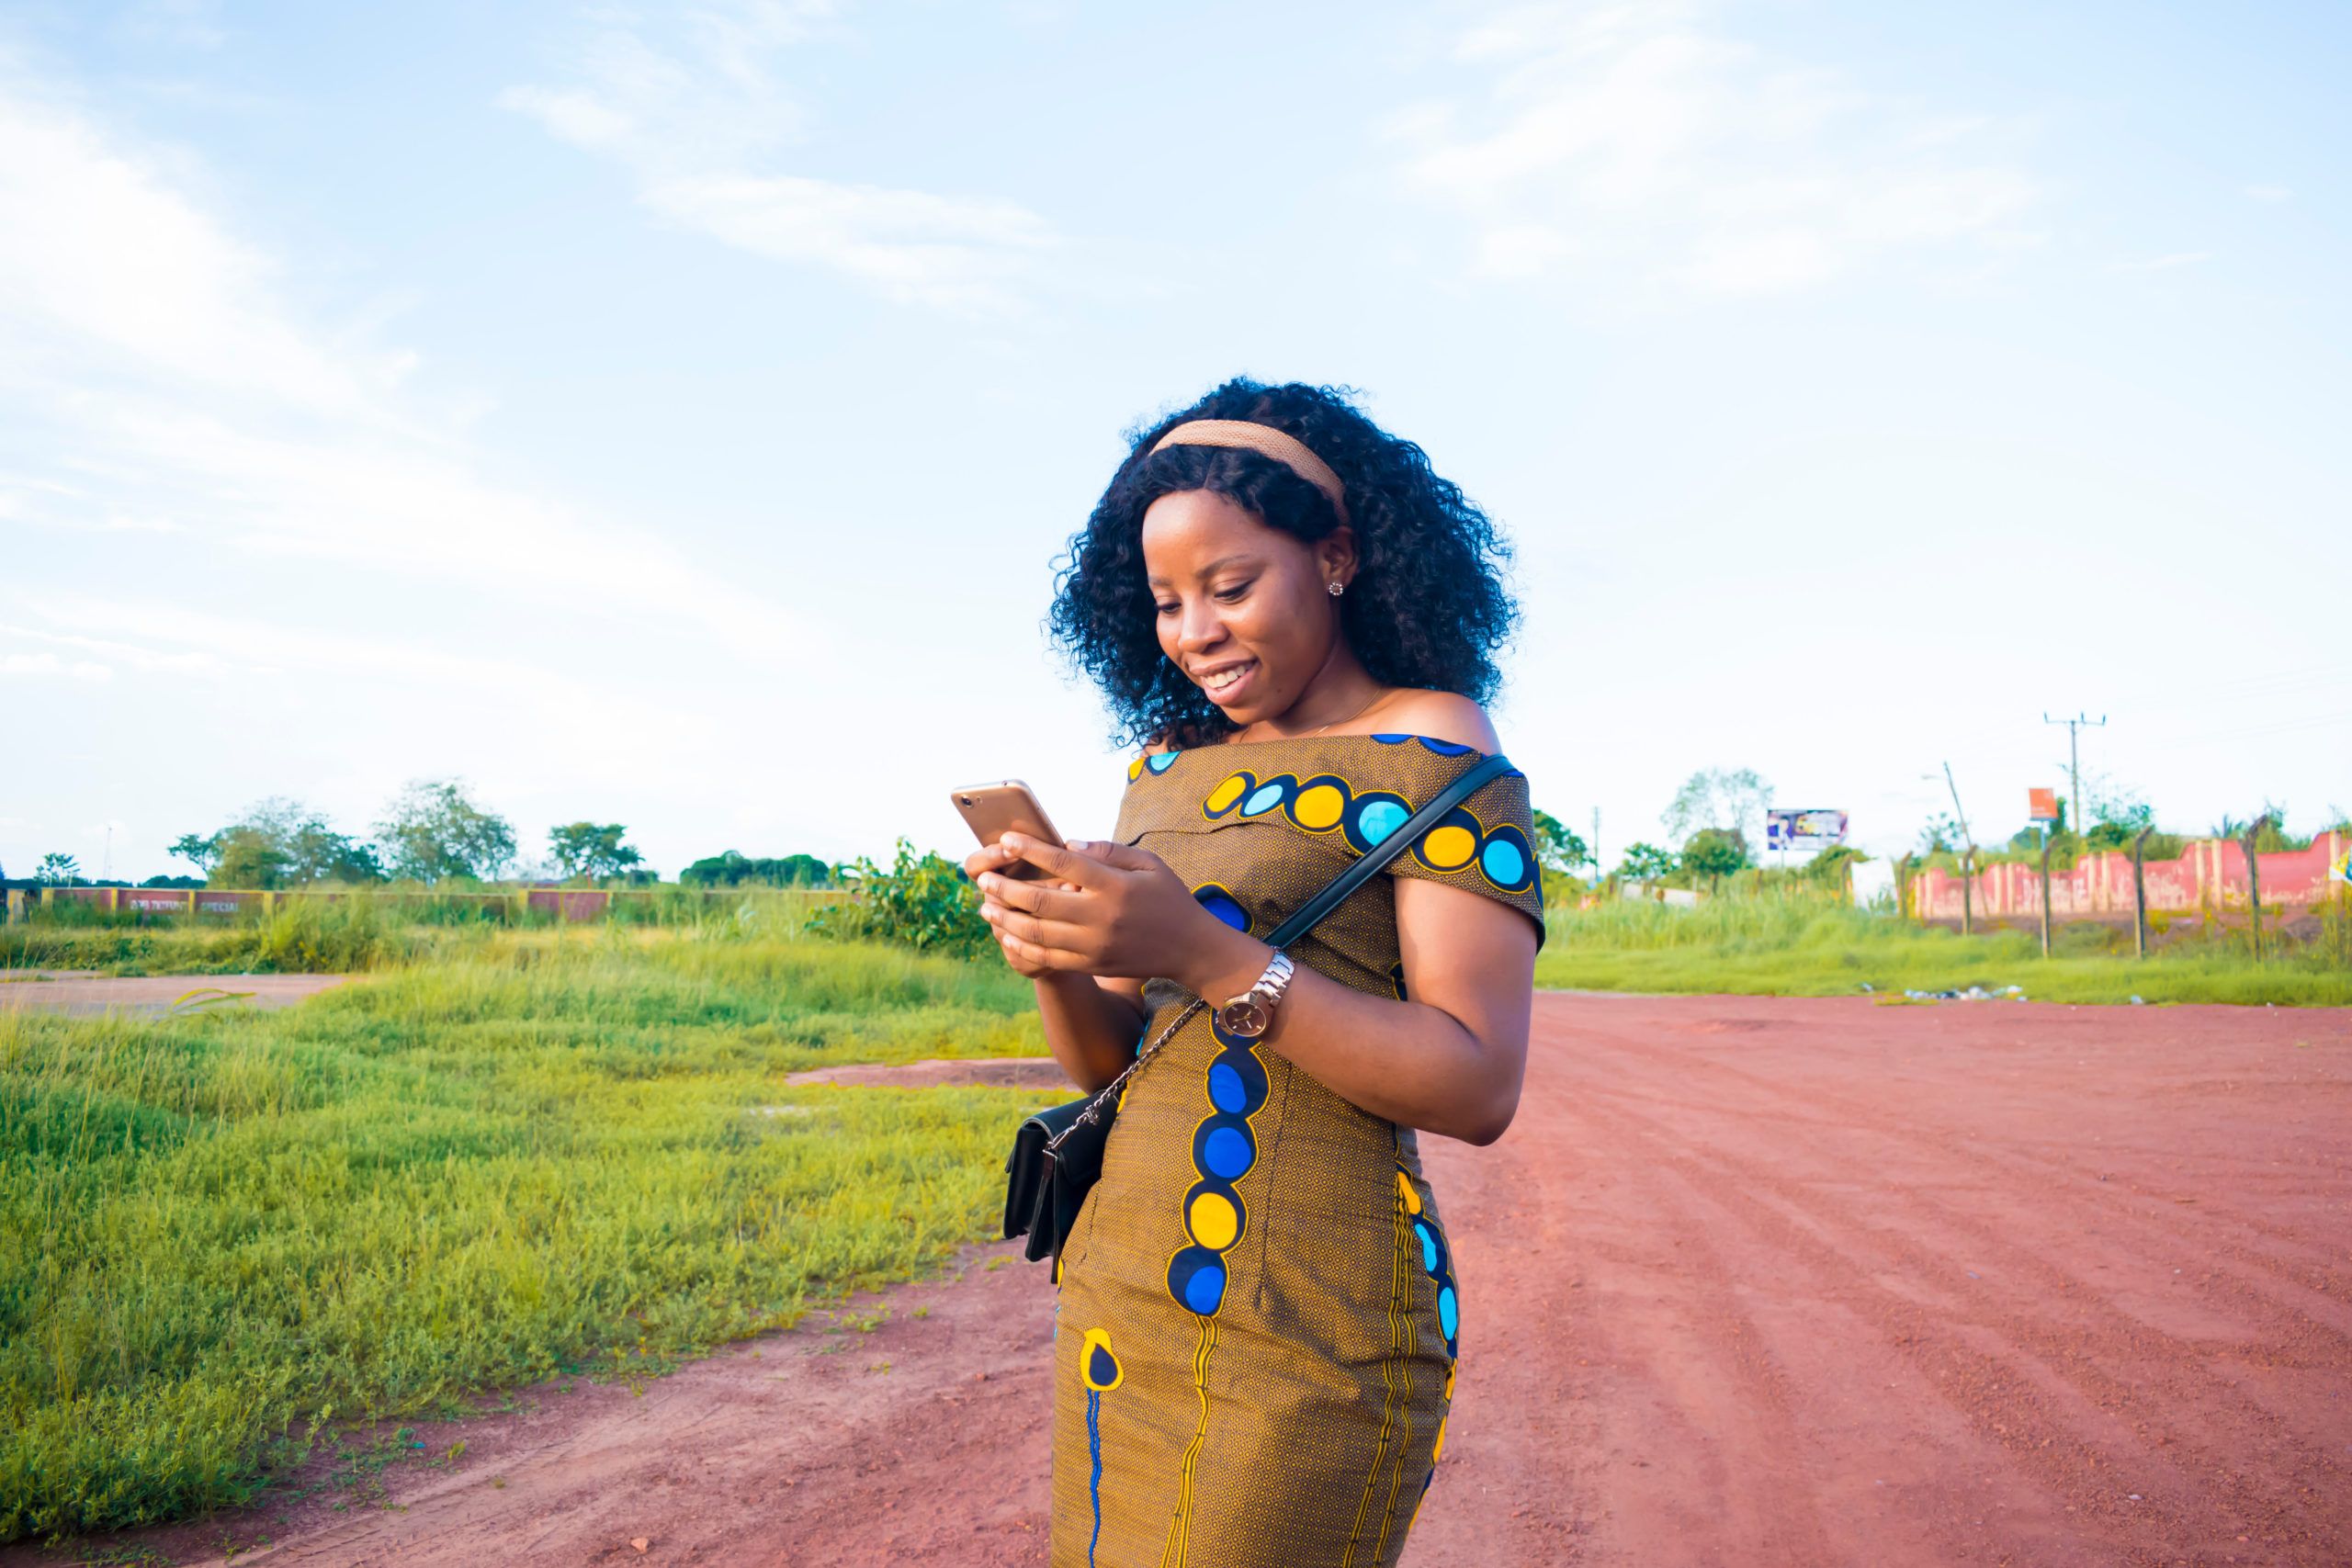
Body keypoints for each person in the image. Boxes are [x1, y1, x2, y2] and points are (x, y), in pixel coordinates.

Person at [965, 378, 1543, 1566]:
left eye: (1230, 589)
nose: (1195, 633)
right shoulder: (1169, 765)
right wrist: (1054, 956)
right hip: (1121, 1301)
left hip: (1312, 1323)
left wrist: (1205, 952)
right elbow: (1111, 1060)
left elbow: (1477, 1084)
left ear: (1337, 557)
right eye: (1167, 602)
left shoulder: (1434, 747)